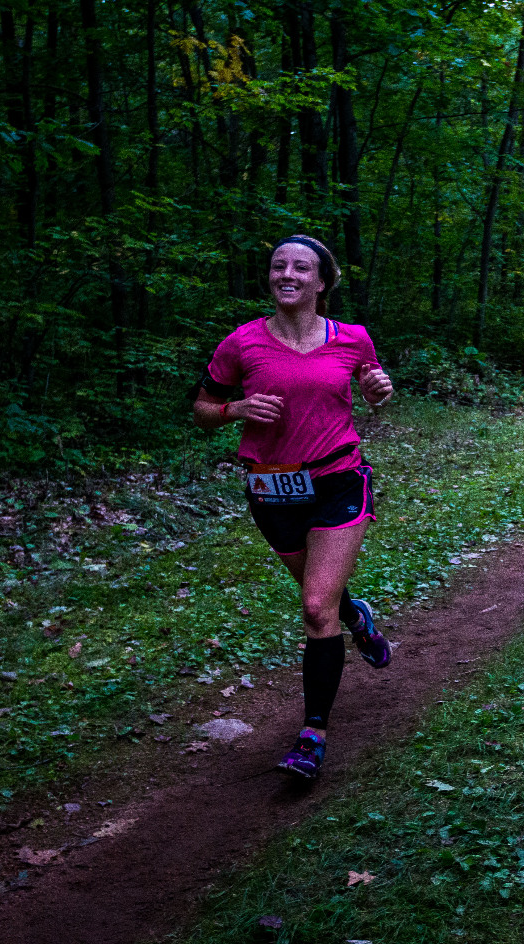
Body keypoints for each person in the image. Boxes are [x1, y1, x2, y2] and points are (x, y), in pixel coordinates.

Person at [192, 235, 395, 780]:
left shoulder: (351, 339)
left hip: (337, 479)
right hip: (271, 491)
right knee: (324, 600)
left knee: (312, 608)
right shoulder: (241, 344)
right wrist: (235, 407)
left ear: (321, 282)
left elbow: (373, 388)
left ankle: (312, 735)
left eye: (300, 267)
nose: (287, 273)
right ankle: (356, 616)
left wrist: (379, 388)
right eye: (278, 265)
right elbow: (203, 408)